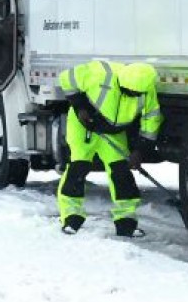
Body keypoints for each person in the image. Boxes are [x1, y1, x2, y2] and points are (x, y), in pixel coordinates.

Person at [56, 60, 163, 237]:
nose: (132, 95)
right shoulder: (99, 73)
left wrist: (140, 151)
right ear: (121, 82)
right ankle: (71, 216)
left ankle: (126, 221)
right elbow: (66, 78)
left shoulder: (145, 90)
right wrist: (80, 106)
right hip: (84, 126)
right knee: (78, 167)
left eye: (135, 94)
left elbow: (151, 120)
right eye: (128, 91)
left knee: (121, 171)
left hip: (114, 131)